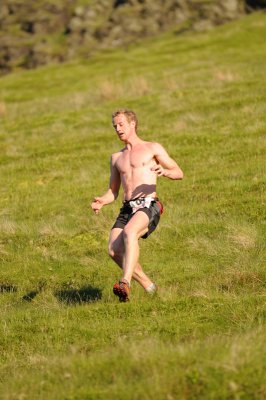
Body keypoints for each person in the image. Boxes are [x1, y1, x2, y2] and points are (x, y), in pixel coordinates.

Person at [91, 109, 183, 302]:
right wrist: (102, 200)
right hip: (127, 207)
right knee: (114, 251)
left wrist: (164, 171)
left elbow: (178, 172)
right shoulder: (116, 158)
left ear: (132, 124)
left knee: (130, 232)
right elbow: (113, 192)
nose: (117, 129)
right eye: (115, 126)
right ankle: (150, 287)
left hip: (149, 204)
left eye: (121, 124)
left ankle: (125, 282)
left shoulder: (152, 148)